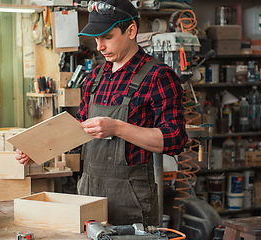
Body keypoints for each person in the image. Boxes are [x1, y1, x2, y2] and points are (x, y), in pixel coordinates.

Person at [16, 0, 187, 228]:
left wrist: (117, 127)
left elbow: (175, 139)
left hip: (132, 200)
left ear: (131, 31)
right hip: (88, 194)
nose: (100, 46)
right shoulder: (95, 78)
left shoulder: (158, 76)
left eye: (107, 37)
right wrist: (37, 148)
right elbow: (79, 133)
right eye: (97, 39)